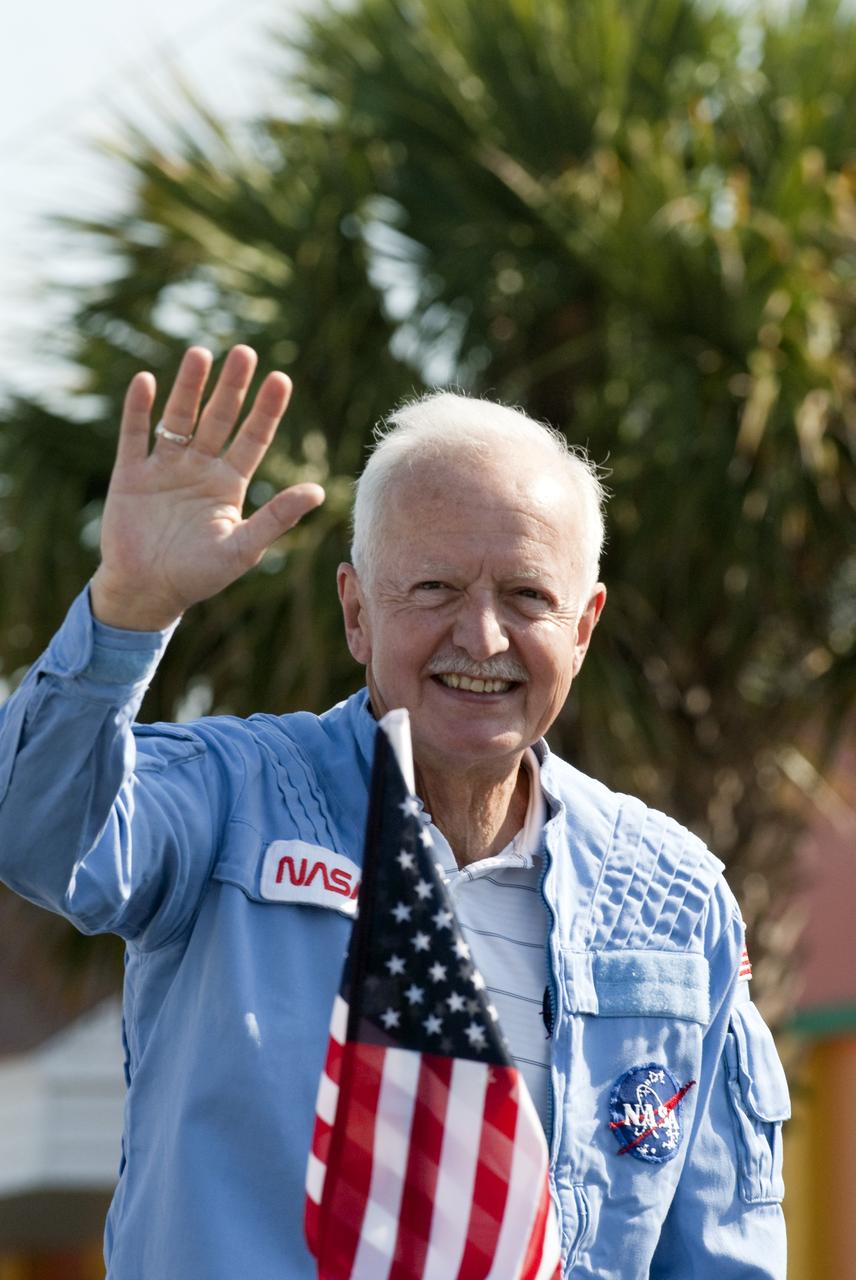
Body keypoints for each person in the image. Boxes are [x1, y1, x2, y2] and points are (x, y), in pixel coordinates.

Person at [0, 345, 789, 1279]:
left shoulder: (674, 894)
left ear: (583, 628)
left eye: (529, 596)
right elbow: (35, 835)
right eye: (435, 588)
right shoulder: (232, 793)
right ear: (356, 612)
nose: (483, 635)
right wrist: (127, 609)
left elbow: (720, 1259)